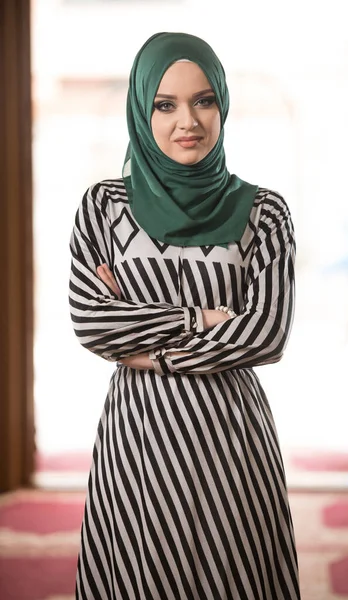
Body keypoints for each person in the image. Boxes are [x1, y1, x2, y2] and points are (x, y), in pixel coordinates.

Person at [69, 31, 300, 600]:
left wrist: (151, 350)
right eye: (165, 105)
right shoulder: (104, 207)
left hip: (230, 434)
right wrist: (201, 318)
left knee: (233, 573)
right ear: (141, 109)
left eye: (204, 100)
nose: (187, 121)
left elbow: (265, 334)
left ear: (223, 104)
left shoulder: (264, 214)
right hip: (139, 434)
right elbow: (91, 321)